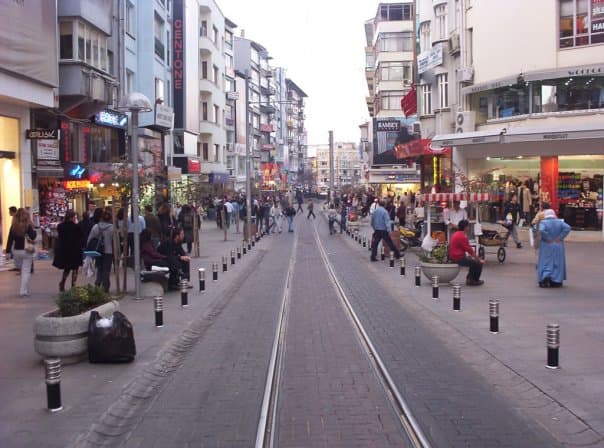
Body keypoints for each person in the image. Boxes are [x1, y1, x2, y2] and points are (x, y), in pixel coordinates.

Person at [7, 208, 37, 296]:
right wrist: (33, 228)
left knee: (22, 269)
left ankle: (24, 290)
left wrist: (8, 251)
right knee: (26, 271)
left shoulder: (14, 226)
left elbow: (10, 239)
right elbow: (33, 236)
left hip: (16, 251)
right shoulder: (28, 225)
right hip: (27, 251)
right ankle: (23, 291)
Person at [537, 209, 571, 288]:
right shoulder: (559, 222)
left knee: (545, 261)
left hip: (546, 245)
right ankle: (556, 280)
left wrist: (547, 238)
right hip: (558, 244)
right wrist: (560, 237)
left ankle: (545, 278)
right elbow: (567, 228)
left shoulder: (544, 222)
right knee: (557, 262)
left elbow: (541, 230)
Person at [52, 210, 84, 292]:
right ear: (71, 217)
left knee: (67, 268)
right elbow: (80, 237)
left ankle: (63, 281)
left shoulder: (60, 226)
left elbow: (60, 236)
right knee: (75, 269)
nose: (74, 219)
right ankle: (73, 285)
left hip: (65, 250)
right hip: (75, 250)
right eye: (74, 217)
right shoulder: (76, 227)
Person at [449, 219, 485, 286]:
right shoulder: (462, 237)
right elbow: (470, 250)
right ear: (465, 227)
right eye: (468, 226)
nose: (469, 228)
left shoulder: (456, 234)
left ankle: (470, 278)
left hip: (455, 255)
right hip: (458, 258)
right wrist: (479, 259)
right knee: (478, 263)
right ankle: (474, 280)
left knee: (472, 261)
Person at [87, 209, 114, 293]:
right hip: (108, 252)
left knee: (99, 268)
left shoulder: (96, 227)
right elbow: (116, 242)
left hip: (98, 252)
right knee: (107, 270)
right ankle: (106, 287)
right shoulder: (112, 228)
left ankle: (97, 284)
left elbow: (90, 239)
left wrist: (89, 249)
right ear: (110, 218)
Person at [4, 206, 19, 271]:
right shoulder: (14, 218)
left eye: (9, 211)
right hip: (15, 237)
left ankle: (18, 266)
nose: (8, 213)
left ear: (12, 211)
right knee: (14, 251)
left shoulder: (16, 218)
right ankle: (17, 266)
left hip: (16, 237)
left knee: (15, 251)